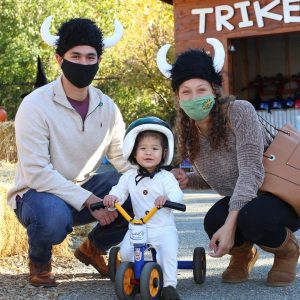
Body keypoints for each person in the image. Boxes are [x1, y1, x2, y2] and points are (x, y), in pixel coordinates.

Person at [156, 45, 300, 287]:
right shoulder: (186, 131)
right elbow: (217, 177)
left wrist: (230, 227)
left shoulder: (239, 112)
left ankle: (288, 252)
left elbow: (251, 171)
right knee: (213, 220)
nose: (194, 98)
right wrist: (186, 179)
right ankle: (244, 255)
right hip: (246, 200)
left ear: (214, 90)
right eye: (186, 92)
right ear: (178, 97)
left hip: (281, 195)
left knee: (250, 217)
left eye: (201, 89)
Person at [7, 16, 132, 287]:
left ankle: (94, 248)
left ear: (99, 61)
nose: (83, 63)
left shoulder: (107, 106)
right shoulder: (35, 105)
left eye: (91, 57)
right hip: (37, 194)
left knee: (135, 187)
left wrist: (153, 178)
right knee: (51, 218)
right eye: (75, 55)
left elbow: (122, 158)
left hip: (83, 185)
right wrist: (91, 200)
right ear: (58, 59)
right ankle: (40, 261)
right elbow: (38, 173)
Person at [103, 116, 183, 300]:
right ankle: (132, 276)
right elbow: (119, 191)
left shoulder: (166, 177)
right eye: (143, 148)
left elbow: (177, 194)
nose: (148, 153)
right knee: (125, 253)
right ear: (133, 151)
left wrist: (168, 198)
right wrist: (113, 198)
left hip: (163, 227)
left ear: (164, 153)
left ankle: (169, 286)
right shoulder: (129, 176)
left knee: (168, 253)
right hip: (139, 226)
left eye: (154, 149)